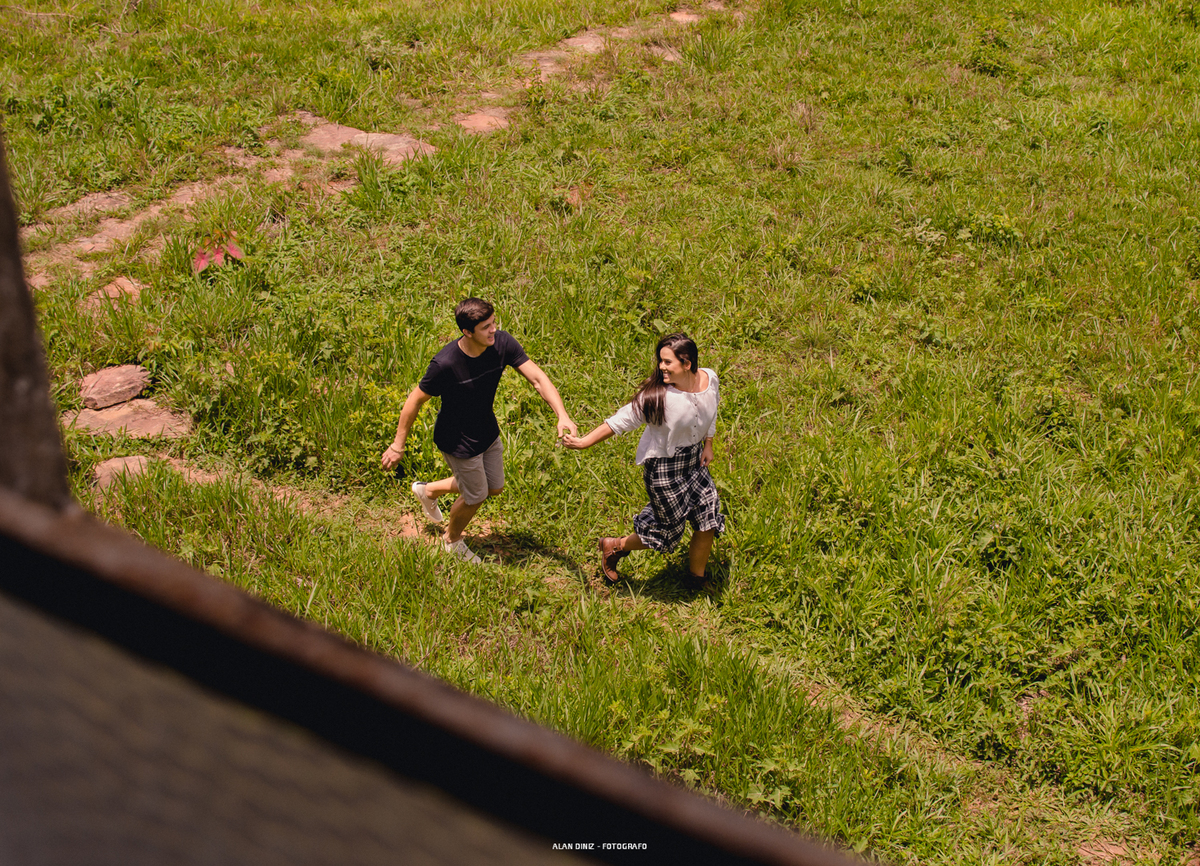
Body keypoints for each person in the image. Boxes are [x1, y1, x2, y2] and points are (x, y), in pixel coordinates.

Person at [381, 298, 577, 563]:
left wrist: (561, 414)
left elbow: (538, 379)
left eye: (494, 323)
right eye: (486, 327)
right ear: (467, 332)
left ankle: (428, 491)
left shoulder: (502, 344)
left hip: (487, 431)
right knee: (475, 496)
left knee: (494, 488)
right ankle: (451, 541)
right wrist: (397, 445)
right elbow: (414, 400)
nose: (493, 330)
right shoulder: (445, 364)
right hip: (457, 440)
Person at [562, 333, 724, 588]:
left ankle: (696, 579)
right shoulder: (657, 397)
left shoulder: (709, 378)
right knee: (667, 531)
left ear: (687, 363)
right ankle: (614, 546)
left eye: (667, 362)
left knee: (708, 517)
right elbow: (619, 421)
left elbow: (711, 409)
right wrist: (583, 442)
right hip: (665, 469)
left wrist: (709, 442)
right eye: (660, 361)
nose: (661, 367)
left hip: (695, 462)